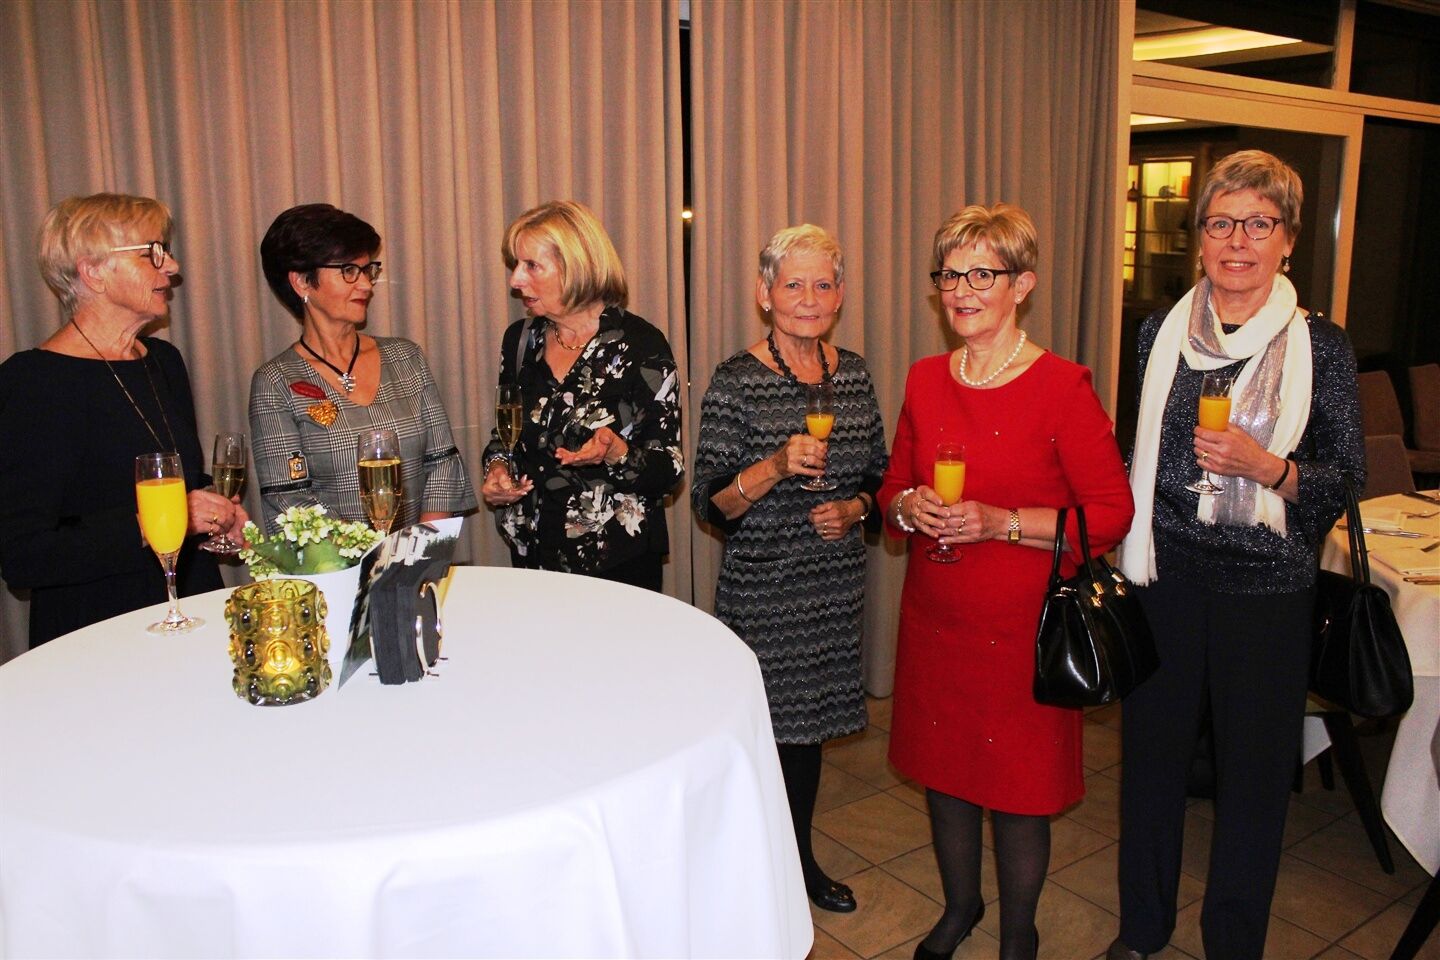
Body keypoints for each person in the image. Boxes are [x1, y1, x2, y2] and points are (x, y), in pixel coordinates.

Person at [1109, 151, 1364, 960]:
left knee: (1253, 781)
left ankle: (1233, 941)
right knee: (1151, 767)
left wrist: (1271, 469)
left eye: (1259, 224)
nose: (1238, 241)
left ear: (1288, 239)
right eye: (1221, 223)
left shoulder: (1321, 346)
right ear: (1200, 238)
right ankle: (1142, 929)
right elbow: (1136, 452)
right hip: (1165, 578)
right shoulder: (1159, 333)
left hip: (1268, 590)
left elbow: (1346, 478)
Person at [878, 204, 1134, 960]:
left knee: (1020, 793)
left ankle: (1019, 933)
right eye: (950, 274)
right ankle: (961, 907)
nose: (961, 290)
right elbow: (892, 490)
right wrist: (907, 506)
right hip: (938, 618)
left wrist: (1003, 523)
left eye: (981, 274)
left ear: (1022, 285)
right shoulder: (926, 379)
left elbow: (1111, 513)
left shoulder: (1063, 387)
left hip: (1025, 629)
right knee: (945, 774)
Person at [692, 224, 888, 913]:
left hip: (833, 588)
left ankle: (794, 859)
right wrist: (775, 466)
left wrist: (856, 508)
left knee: (806, 741)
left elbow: (881, 475)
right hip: (766, 590)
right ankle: (758, 863)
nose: (808, 298)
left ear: (840, 295)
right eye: (793, 284)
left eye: (822, 284)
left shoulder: (854, 373)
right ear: (765, 293)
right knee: (767, 735)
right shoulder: (736, 381)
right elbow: (711, 502)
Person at [0, 193, 244, 648]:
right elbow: (23, 555)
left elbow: (174, 478)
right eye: (153, 253)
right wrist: (162, 521)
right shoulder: (33, 382)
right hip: (100, 635)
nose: (172, 267)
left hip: (193, 614)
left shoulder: (163, 361)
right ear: (93, 272)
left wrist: (214, 512)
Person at [481, 200, 683, 591]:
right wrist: (498, 468)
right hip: (532, 559)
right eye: (516, 265)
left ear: (575, 266)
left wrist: (616, 453)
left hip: (616, 567)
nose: (516, 280)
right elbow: (506, 435)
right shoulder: (521, 341)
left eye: (532, 265)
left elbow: (668, 469)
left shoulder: (642, 346)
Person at [249, 204, 476, 531]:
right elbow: (288, 502)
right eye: (348, 271)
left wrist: (416, 550)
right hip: (332, 560)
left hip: (416, 554)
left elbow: (442, 465)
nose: (367, 285)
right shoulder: (276, 382)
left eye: (367, 270)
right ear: (301, 282)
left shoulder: (406, 357)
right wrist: (368, 555)